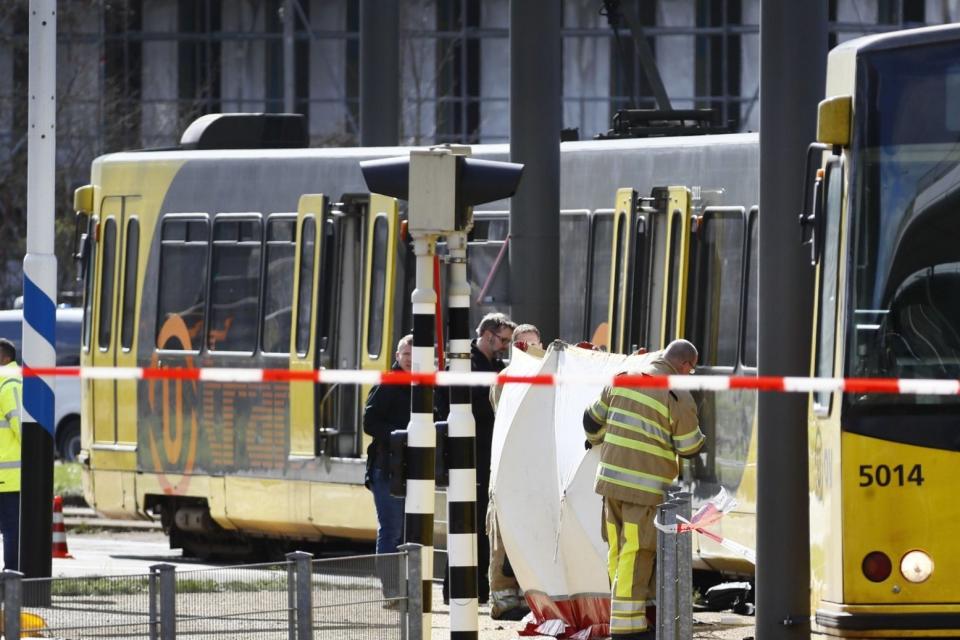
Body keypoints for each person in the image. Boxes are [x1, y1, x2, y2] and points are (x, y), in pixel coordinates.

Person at [582, 339, 704, 640]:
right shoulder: (676, 393)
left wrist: (597, 439)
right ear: (685, 364)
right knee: (637, 552)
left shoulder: (623, 376)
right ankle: (627, 627)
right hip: (644, 489)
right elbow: (689, 447)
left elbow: (590, 420)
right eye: (691, 369)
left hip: (609, 484)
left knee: (617, 550)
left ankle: (625, 616)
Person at [437, 311, 515, 605]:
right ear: (487, 335)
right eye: (503, 340)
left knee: (481, 522)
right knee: (466, 522)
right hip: (469, 455)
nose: (506, 346)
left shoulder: (491, 364)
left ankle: (479, 588)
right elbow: (468, 408)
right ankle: (458, 590)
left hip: (484, 454)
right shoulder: (465, 365)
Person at [487, 322, 542, 620]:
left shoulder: (547, 375)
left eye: (535, 343)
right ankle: (504, 598)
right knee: (504, 535)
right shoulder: (506, 378)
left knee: (532, 534)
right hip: (510, 468)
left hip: (536, 469)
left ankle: (527, 596)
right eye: (524, 344)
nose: (531, 349)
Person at [363, 334, 413, 607]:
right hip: (387, 468)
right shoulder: (387, 383)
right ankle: (392, 592)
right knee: (392, 531)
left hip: (413, 469)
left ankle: (407, 589)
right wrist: (400, 436)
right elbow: (369, 422)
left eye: (417, 356)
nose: (411, 361)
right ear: (397, 356)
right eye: (406, 355)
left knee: (409, 533)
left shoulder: (424, 384)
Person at [0, 338, 21, 571]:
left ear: (5, 357)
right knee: (10, 529)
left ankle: (11, 577)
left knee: (11, 529)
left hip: (9, 475)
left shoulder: (9, 382)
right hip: (7, 473)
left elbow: (20, 426)